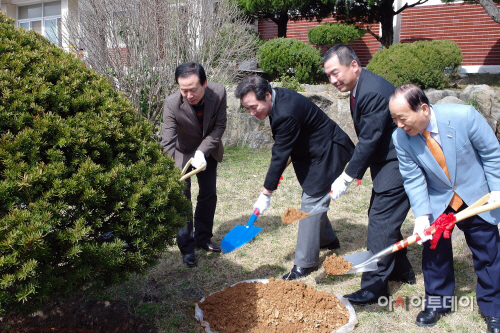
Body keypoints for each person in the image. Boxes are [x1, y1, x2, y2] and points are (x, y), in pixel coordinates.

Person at [389, 84, 500, 331]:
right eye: (394, 119)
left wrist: (497, 188)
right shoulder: (401, 138)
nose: (399, 125)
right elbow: (413, 178)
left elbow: (492, 154)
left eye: (402, 118)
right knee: (434, 251)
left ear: (424, 109)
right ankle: (438, 303)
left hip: (477, 194)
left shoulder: (464, 117)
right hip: (439, 197)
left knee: (488, 252)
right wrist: (422, 216)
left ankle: (494, 309)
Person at [234, 75, 355, 280]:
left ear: (266, 95)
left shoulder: (285, 113)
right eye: (247, 109)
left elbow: (280, 154)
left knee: (311, 200)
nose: (253, 113)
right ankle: (327, 239)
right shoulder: (277, 98)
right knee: (316, 196)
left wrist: (266, 193)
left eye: (254, 107)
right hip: (313, 152)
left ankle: (305, 263)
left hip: (329, 150)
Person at [322, 45, 415, 305]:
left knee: (380, 221)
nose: (332, 80)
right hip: (387, 161)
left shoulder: (372, 91)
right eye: (328, 75)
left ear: (353, 65)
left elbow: (370, 139)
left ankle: (374, 288)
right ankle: (401, 269)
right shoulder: (360, 87)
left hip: (397, 163)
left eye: (335, 73)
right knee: (382, 217)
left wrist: (347, 176)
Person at [160, 62, 227, 267]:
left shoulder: (219, 92)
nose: (188, 95)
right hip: (182, 152)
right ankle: (186, 247)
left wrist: (202, 151)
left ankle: (203, 238)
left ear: (205, 83)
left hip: (208, 150)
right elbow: (168, 141)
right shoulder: (172, 103)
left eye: (193, 89)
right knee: (182, 198)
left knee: (208, 194)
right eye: (183, 90)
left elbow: (219, 126)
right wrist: (167, 170)